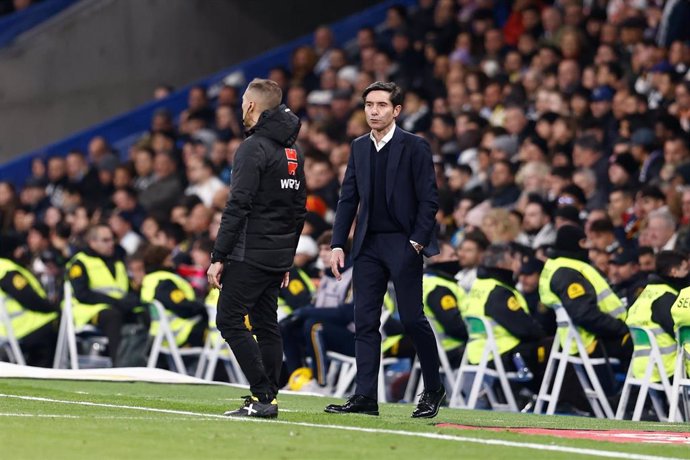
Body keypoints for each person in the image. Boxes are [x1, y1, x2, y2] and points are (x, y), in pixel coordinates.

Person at [326, 81, 444, 418]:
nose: (373, 111)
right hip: (368, 244)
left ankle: (433, 388)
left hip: (403, 243)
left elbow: (429, 198)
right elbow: (348, 198)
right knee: (363, 321)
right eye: (368, 105)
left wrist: (416, 242)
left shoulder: (415, 146)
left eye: (380, 105)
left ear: (396, 110)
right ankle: (365, 397)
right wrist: (337, 243)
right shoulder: (359, 147)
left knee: (411, 318)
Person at [207, 78, 306, 418]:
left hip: (249, 253)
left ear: (250, 106)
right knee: (266, 325)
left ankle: (263, 395)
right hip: (277, 255)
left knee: (229, 320)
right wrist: (286, 259)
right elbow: (299, 211)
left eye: (243, 103)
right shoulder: (293, 152)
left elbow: (238, 206)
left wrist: (219, 256)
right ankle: (268, 398)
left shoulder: (253, 148)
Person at [465, 244, 548, 394]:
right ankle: (557, 401)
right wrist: (540, 332)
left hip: (479, 352)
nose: (519, 265)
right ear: (502, 264)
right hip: (501, 356)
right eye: (514, 259)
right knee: (551, 346)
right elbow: (525, 328)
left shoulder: (480, 284)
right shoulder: (499, 292)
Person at [66, 224, 143, 366]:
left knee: (142, 314)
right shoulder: (80, 262)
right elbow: (82, 295)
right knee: (112, 316)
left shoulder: (117, 261)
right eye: (105, 240)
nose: (111, 244)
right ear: (92, 242)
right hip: (87, 311)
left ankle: (145, 364)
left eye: (112, 239)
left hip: (115, 306)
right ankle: (118, 367)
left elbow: (126, 290)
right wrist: (116, 302)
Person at [626, 251, 687, 386]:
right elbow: (684, 336)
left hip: (643, 367)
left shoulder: (647, 293)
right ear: (674, 271)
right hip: (669, 369)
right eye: (686, 269)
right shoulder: (667, 299)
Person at [0, 241, 59, 367]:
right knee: (52, 329)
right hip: (22, 327)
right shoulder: (7, 270)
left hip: (15, 327)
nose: (22, 251)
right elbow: (29, 298)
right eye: (20, 248)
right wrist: (52, 308)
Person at [140, 246, 208, 351]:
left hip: (158, 333)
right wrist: (202, 307)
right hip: (178, 333)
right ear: (161, 262)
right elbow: (181, 305)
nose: (172, 262)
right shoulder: (165, 281)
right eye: (169, 259)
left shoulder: (149, 279)